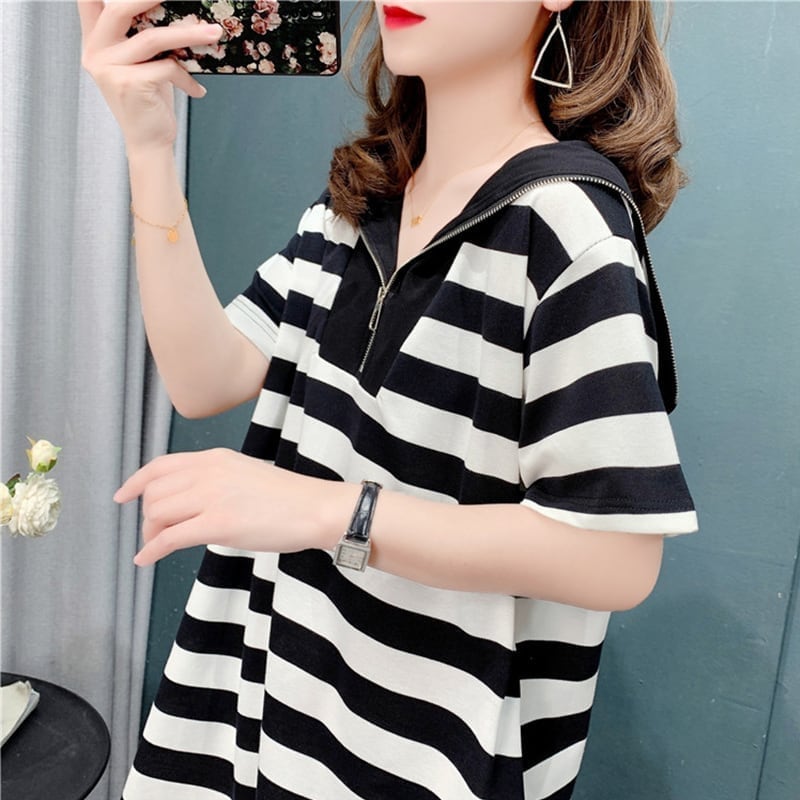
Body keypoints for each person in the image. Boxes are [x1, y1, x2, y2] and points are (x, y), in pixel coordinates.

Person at [79, 1, 698, 798]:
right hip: (264, 716)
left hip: (420, 759)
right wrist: (148, 147)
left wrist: (327, 511)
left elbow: (615, 559)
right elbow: (205, 378)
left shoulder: (568, 229)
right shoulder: (361, 205)